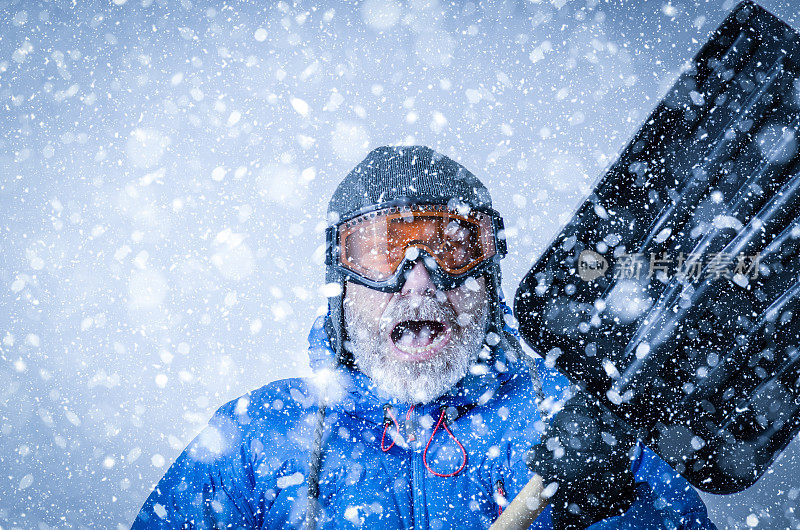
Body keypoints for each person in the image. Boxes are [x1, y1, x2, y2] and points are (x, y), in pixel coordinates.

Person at [132, 146, 716, 529]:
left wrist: (623, 511)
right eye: (384, 251)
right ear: (340, 283)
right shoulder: (257, 438)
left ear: (489, 276)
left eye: (452, 249)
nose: (419, 282)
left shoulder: (579, 420)